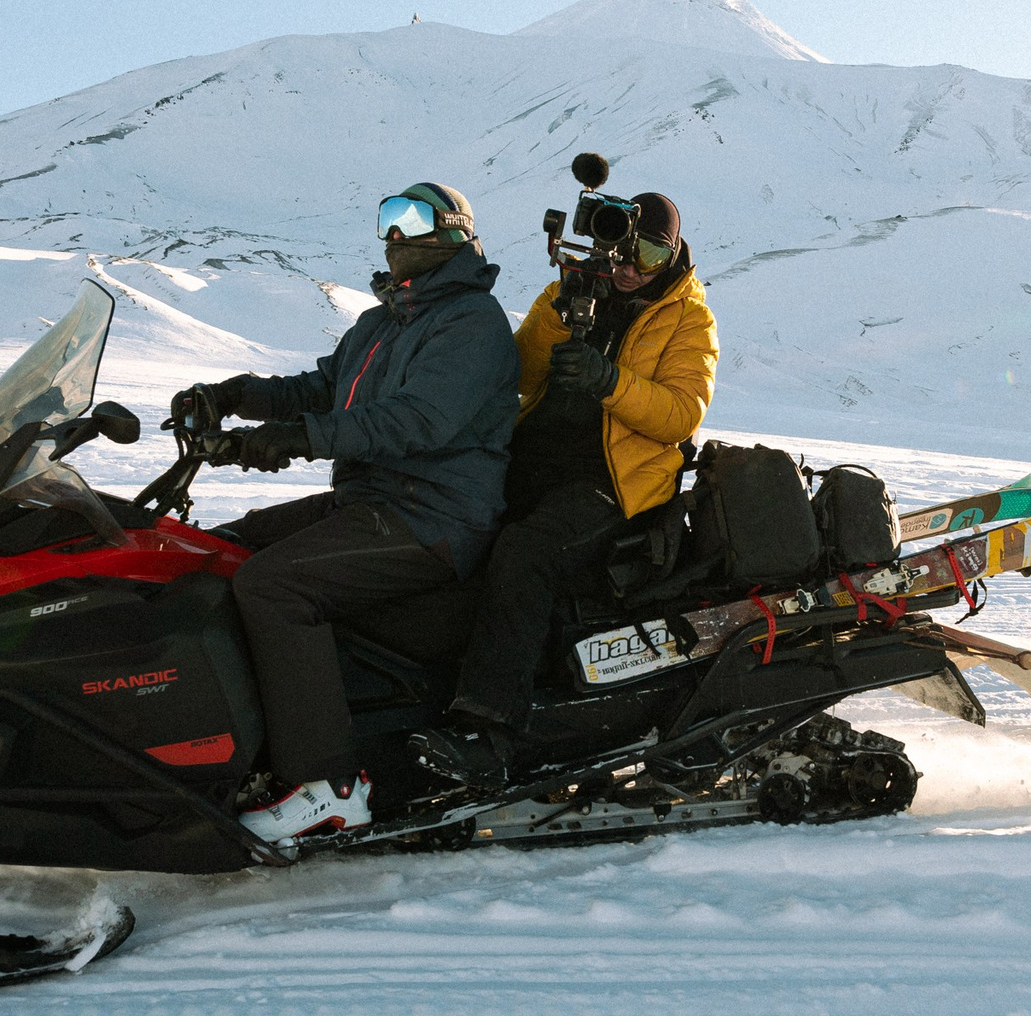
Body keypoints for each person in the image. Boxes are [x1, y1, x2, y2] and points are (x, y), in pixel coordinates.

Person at [173, 183, 518, 845]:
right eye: (386, 218)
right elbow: (324, 386)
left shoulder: (472, 322)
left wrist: (303, 437)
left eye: (409, 219)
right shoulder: (384, 321)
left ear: (449, 233)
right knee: (216, 548)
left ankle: (326, 787)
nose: (392, 234)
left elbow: (420, 420)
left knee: (273, 585)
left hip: (436, 518)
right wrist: (235, 396)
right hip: (374, 500)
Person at [409, 188, 718, 786]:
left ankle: (490, 727)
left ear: (673, 254)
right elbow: (519, 373)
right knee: (446, 520)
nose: (629, 268)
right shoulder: (569, 292)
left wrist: (609, 382)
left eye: (649, 255)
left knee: (527, 553)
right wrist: (563, 305)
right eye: (621, 251)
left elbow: (681, 415)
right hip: (534, 461)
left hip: (618, 485)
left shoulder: (689, 318)